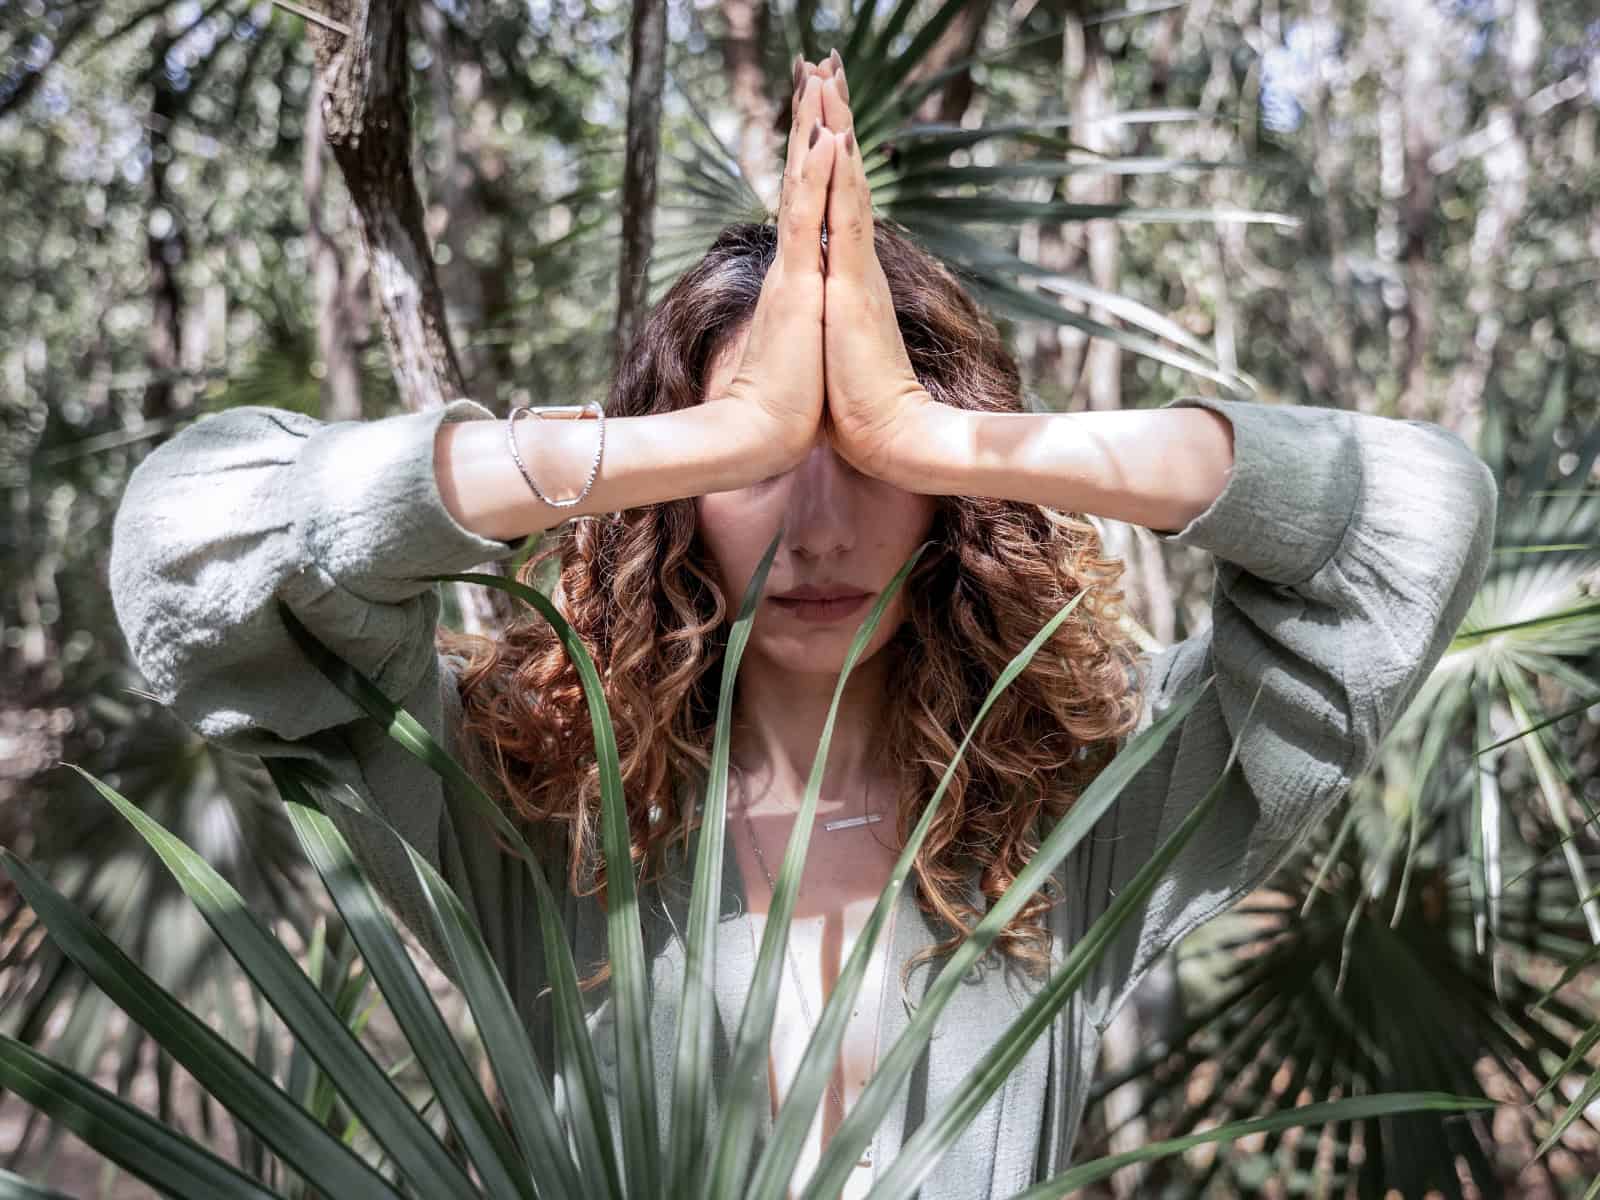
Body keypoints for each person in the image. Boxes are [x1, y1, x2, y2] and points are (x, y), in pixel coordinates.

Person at [109, 51, 1497, 1199]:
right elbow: (185, 550)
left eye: (878, 473)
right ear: (680, 491)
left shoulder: (1074, 808)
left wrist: (940, 428)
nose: (822, 528)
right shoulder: (527, 794)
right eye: (762, 473)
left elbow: (1416, 520)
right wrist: (708, 434)